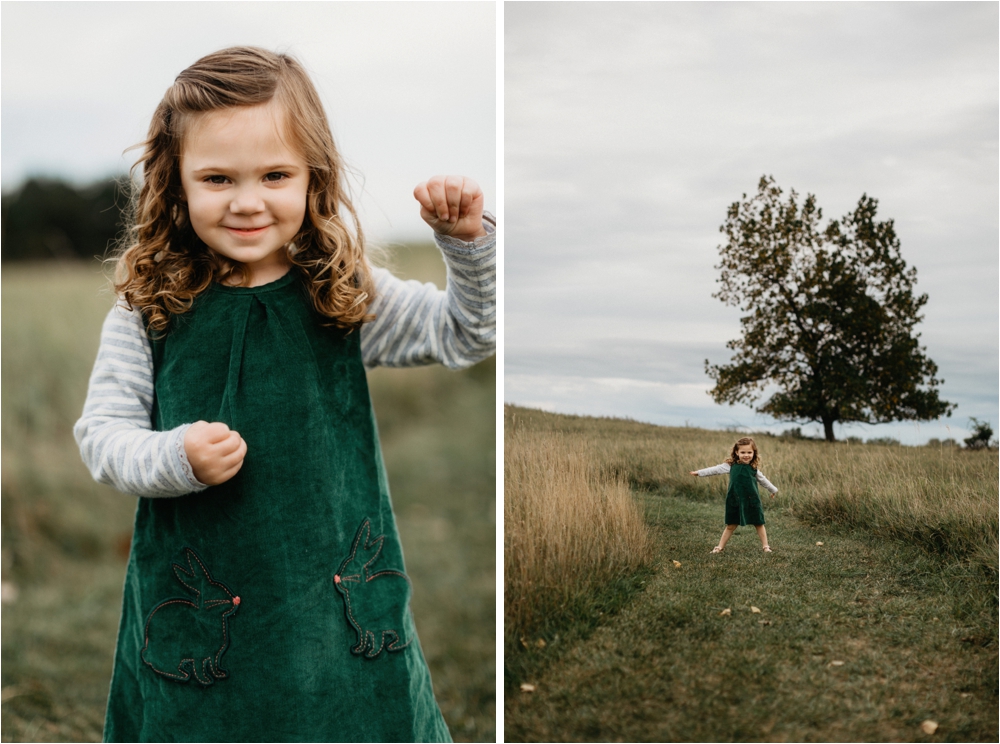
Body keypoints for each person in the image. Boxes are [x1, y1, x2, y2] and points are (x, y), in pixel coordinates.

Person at [73, 46, 495, 743]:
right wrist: (176, 456)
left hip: (322, 590)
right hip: (207, 576)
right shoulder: (148, 308)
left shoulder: (340, 292)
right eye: (216, 177)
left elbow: (464, 334)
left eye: (275, 174)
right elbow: (103, 437)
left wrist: (467, 243)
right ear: (175, 184)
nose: (247, 201)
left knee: (343, 708)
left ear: (312, 178)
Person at [690, 437, 777, 554]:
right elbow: (715, 470)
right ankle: (719, 547)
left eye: (749, 452)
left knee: (759, 522)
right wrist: (699, 473)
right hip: (735, 500)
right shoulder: (730, 465)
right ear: (737, 452)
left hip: (752, 500)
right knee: (731, 525)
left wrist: (773, 490)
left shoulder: (754, 468)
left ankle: (766, 547)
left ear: (754, 453)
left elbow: (763, 481)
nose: (746, 455)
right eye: (743, 452)